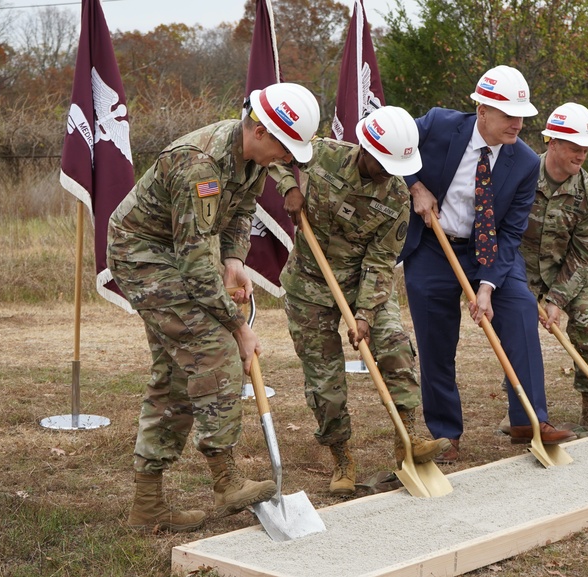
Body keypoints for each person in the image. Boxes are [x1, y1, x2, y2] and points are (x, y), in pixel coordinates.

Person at [106, 82, 320, 533]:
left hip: (182, 253)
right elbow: (194, 265)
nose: (288, 160)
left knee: (176, 374)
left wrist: (235, 262)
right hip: (142, 253)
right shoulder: (197, 164)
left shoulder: (250, 158)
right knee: (214, 348)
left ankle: (148, 508)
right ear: (260, 130)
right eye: (285, 147)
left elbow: (240, 214)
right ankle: (226, 480)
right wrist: (237, 326)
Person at [399, 65, 577, 464]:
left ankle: (530, 421)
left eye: (522, 117)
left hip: (490, 251)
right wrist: (416, 185)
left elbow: (511, 232)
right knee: (436, 341)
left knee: (518, 314)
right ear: (481, 110)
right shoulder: (439, 124)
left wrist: (486, 286)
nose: (517, 124)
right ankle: (446, 434)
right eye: (508, 116)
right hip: (433, 246)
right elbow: (389, 142)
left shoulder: (527, 162)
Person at [271, 106, 451, 496]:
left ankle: (409, 439)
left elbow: (380, 260)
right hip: (310, 282)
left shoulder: (398, 198)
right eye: (382, 163)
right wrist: (290, 186)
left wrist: (366, 313)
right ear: (365, 149)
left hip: (363, 284)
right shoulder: (326, 154)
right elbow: (278, 151)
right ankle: (341, 456)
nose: (388, 172)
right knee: (324, 377)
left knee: (396, 347)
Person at [509, 102, 588, 434]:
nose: (582, 155)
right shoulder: (519, 174)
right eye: (574, 147)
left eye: (586, 149)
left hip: (569, 274)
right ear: (552, 142)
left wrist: (556, 300)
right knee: (514, 330)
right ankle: (520, 407)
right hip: (519, 270)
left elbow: (584, 255)